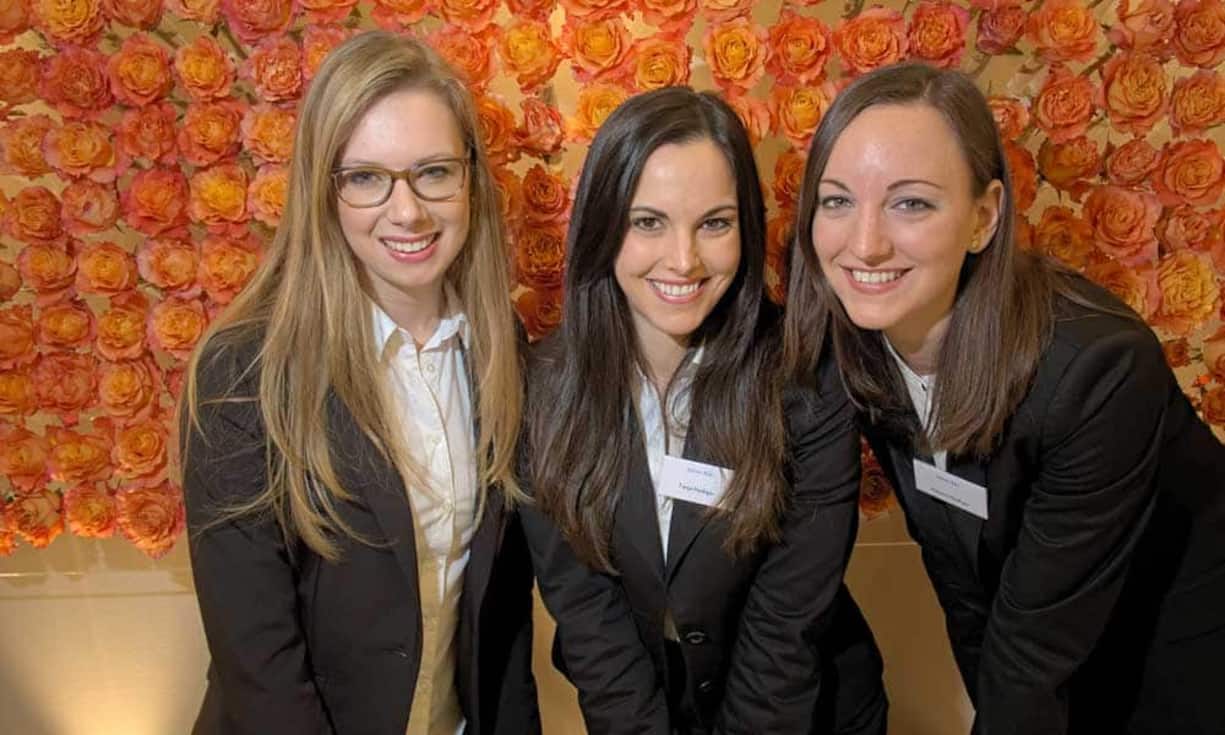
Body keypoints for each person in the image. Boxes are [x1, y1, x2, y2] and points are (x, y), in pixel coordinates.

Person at [784, 61, 1225, 735]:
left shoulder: (1096, 370)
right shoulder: (862, 340)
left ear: (982, 217)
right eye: (837, 200)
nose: (863, 243)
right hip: (1042, 634)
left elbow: (1033, 647)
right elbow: (960, 575)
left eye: (911, 202)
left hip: (1181, 634)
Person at [177, 31, 538, 735]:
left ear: (470, 179)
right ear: (325, 189)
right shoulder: (241, 375)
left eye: (433, 172)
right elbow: (260, 662)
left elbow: (501, 627)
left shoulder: (503, 351)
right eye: (366, 177)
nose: (406, 211)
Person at [521, 86, 888, 735]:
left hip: (799, 708)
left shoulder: (805, 379)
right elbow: (587, 615)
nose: (684, 260)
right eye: (647, 222)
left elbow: (786, 625)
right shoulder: (545, 385)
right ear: (604, 226)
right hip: (649, 707)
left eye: (713, 223)